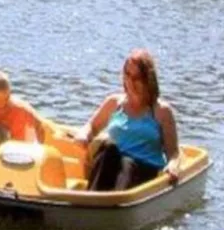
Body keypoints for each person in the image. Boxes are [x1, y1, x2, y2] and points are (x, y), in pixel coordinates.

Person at [76, 49, 180, 191]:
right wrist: (84, 134)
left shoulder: (162, 111)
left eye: (136, 78)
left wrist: (173, 165)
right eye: (127, 75)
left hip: (144, 170)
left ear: (147, 79)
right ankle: (93, 198)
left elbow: (173, 153)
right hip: (113, 167)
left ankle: (117, 201)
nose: (131, 82)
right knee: (109, 148)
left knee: (127, 162)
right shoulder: (114, 103)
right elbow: (91, 127)